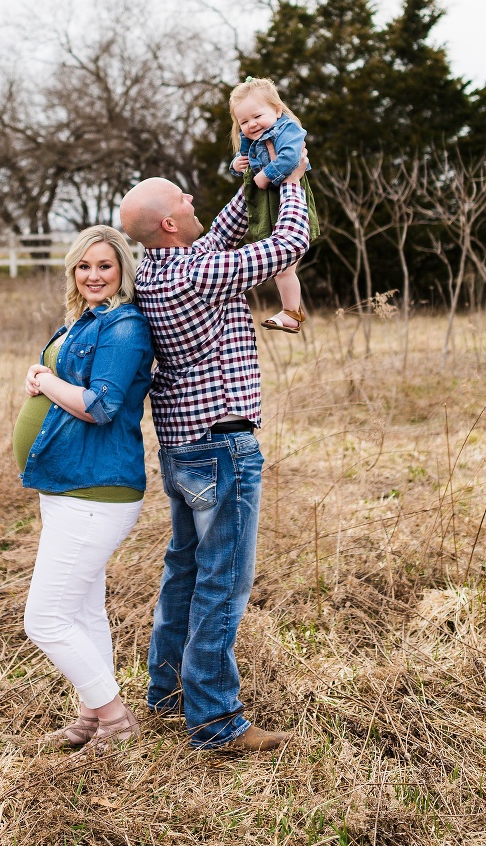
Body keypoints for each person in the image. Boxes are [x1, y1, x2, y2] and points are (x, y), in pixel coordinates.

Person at [119, 152, 310, 752]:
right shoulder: (197, 277)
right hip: (222, 448)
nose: (193, 200)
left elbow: (222, 228)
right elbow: (288, 243)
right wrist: (294, 185)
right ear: (169, 224)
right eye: (182, 198)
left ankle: (169, 692)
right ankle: (215, 720)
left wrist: (257, 184)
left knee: (187, 570)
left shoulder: (159, 268)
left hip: (183, 450)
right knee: (223, 580)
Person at [14, 225, 153, 752]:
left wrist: (44, 381)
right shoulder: (82, 322)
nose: (94, 276)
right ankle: (92, 713)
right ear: (73, 271)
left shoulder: (124, 328)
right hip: (69, 485)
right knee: (82, 611)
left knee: (44, 619)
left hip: (98, 489)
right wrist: (42, 375)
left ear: (122, 271)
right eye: (84, 266)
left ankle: (116, 719)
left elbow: (101, 406)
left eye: (105, 266)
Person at [229, 76, 319, 334]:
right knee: (279, 264)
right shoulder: (253, 135)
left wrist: (267, 175)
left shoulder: (288, 129)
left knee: (284, 265)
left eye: (256, 116)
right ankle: (291, 311)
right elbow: (244, 157)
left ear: (277, 110)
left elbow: (292, 157)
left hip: (288, 195)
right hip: (270, 199)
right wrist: (236, 165)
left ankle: (292, 312)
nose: (251, 124)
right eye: (243, 122)